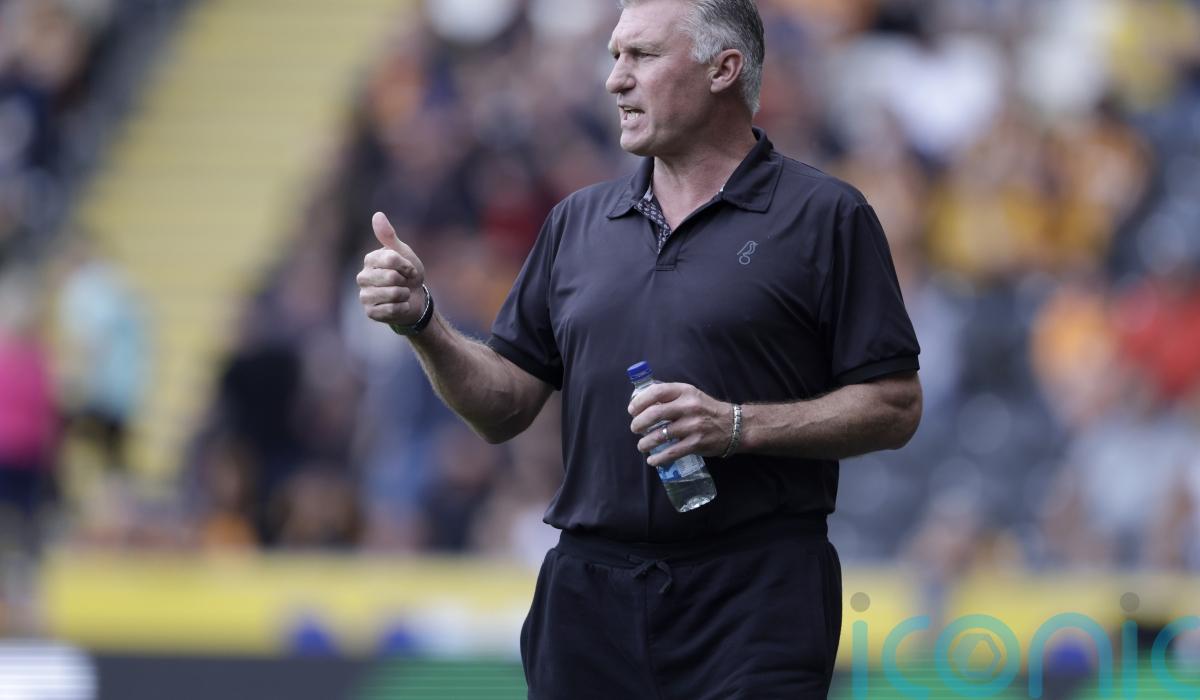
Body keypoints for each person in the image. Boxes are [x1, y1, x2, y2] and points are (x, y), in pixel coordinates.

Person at [356, 0, 922, 696]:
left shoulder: (825, 216)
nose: (615, 79)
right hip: (588, 597)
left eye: (642, 56)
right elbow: (503, 408)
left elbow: (895, 406)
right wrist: (424, 323)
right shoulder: (576, 222)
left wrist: (738, 425)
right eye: (614, 56)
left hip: (756, 595)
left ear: (723, 69)